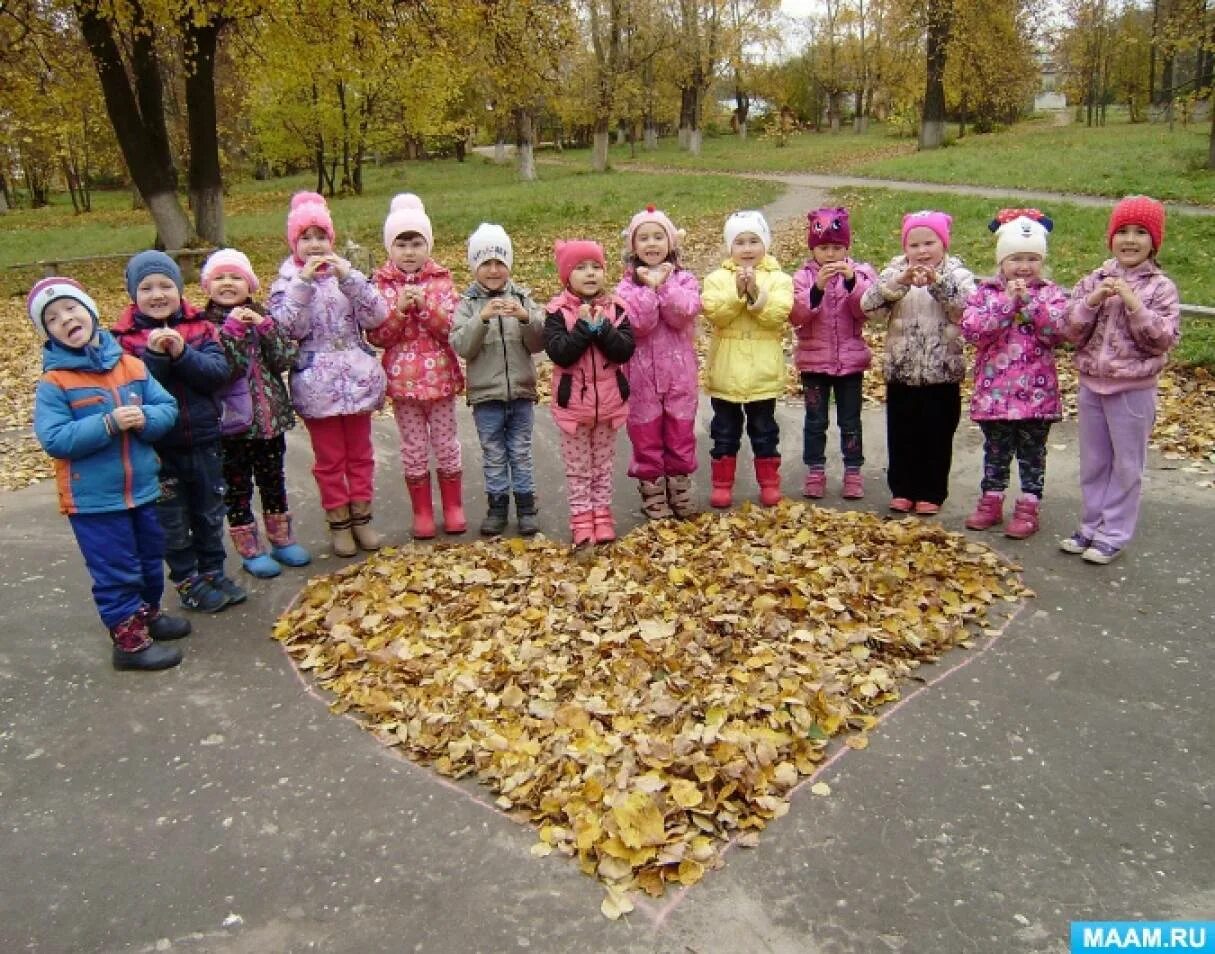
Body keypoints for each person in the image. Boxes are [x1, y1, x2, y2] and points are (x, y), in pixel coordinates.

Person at [31, 277, 190, 670]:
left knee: (151, 555)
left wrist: (144, 419)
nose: (66, 318)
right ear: (48, 332)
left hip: (141, 488)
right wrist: (107, 423)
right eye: (52, 318)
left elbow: (165, 407)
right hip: (94, 500)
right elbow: (54, 438)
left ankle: (148, 616)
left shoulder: (130, 365)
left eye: (71, 308)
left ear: (90, 311)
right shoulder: (55, 383)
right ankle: (129, 643)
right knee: (115, 567)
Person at [114, 250, 245, 612]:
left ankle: (213, 571)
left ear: (179, 289)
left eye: (166, 285)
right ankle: (187, 579)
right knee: (172, 519)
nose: (158, 294)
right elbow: (134, 391)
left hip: (203, 440)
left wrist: (182, 353)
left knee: (209, 509)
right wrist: (156, 359)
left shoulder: (201, 328)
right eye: (147, 287)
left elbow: (217, 375)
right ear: (132, 294)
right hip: (158, 449)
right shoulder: (124, 340)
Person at [1060, 195, 1180, 564]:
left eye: (1140, 233)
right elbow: (1070, 331)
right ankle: (1091, 525)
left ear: (1153, 241)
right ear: (1111, 237)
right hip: (1091, 384)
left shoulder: (1161, 288)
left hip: (1132, 390)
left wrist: (1135, 305)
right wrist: (1092, 300)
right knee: (1095, 461)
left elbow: (1163, 339)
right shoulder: (1093, 279)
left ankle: (1114, 532)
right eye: (1123, 231)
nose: (1130, 240)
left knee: (1127, 464)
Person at [268, 191, 389, 556]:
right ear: (294, 243)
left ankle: (362, 520)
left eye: (321, 236)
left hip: (357, 378)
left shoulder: (346, 275)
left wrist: (350, 279)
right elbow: (287, 328)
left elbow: (377, 316)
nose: (315, 244)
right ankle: (339, 524)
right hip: (315, 381)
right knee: (331, 459)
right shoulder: (286, 283)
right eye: (306, 237)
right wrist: (302, 286)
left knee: (361, 454)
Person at [202, 248, 311, 578]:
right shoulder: (206, 326)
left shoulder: (263, 317)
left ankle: (282, 539)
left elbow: (283, 360)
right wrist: (233, 332)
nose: (228, 283)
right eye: (219, 277)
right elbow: (224, 370)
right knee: (237, 487)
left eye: (236, 277)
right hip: (231, 426)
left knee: (272, 480)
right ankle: (249, 548)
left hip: (268, 422)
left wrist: (265, 328)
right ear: (208, 286)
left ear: (250, 286)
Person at [961, 210, 1068, 539]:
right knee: (996, 451)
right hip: (996, 395)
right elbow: (974, 330)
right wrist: (1008, 304)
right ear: (1001, 262)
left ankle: (1029, 503)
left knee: (1032, 453)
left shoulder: (1050, 294)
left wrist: (1031, 306)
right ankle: (991, 500)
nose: (1024, 267)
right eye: (1016, 258)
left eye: (1032, 259)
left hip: (1037, 396)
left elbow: (1060, 331)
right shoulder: (987, 293)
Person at [860, 210, 975, 515]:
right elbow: (869, 308)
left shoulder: (957, 274)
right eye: (914, 245)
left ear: (943, 243)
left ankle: (931, 491)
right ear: (905, 248)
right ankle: (902, 488)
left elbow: (967, 310)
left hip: (942, 372)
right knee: (902, 432)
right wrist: (899, 283)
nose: (922, 251)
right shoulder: (894, 271)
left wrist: (938, 284)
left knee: (937, 434)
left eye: (929, 243)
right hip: (902, 370)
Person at [368, 193, 465, 539]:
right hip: (403, 384)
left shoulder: (441, 281)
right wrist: (398, 312)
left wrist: (423, 307)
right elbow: (378, 335)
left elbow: (452, 329)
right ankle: (422, 510)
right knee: (412, 447)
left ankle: (453, 506)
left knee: (446, 442)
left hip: (440, 378)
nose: (409, 252)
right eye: (401, 244)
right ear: (390, 248)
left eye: (416, 243)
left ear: (428, 244)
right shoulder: (379, 286)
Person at [450, 223, 546, 537]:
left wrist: (525, 317)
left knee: (520, 451)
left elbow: (539, 342)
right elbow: (462, 346)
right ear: (475, 266)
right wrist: (482, 318)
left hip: (520, 391)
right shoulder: (466, 305)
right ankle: (497, 507)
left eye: (500, 263)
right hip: (485, 396)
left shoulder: (523, 298)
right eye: (486, 263)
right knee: (493, 453)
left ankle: (527, 507)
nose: (493, 270)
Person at [544, 240, 636, 546]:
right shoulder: (557, 312)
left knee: (604, 465)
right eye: (581, 268)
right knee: (579, 468)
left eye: (596, 267)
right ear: (567, 275)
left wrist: (604, 328)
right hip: (574, 407)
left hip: (609, 405)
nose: (590, 273)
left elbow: (625, 350)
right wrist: (584, 327)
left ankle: (602, 515)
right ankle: (582, 518)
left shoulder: (618, 308)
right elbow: (560, 354)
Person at [614, 205, 702, 520]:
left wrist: (664, 285)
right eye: (644, 238)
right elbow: (639, 324)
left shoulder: (685, 280)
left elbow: (683, 314)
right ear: (633, 247)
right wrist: (649, 289)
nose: (651, 244)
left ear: (670, 242)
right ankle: (652, 491)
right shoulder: (625, 287)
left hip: (679, 375)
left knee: (680, 432)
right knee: (647, 435)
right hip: (641, 378)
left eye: (658, 236)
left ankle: (679, 487)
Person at [702, 210, 794, 508]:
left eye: (754, 240)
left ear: (765, 243)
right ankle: (721, 483)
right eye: (739, 242)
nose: (747, 248)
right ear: (730, 247)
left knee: (764, 430)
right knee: (724, 431)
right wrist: (737, 294)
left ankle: (769, 482)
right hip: (727, 368)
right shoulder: (716, 278)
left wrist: (756, 293)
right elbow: (715, 313)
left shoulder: (779, 278)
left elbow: (777, 316)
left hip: (762, 370)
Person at [789, 207, 877, 500]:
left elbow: (864, 310)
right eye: (823, 248)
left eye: (836, 248)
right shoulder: (802, 277)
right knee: (816, 421)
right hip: (814, 363)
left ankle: (853, 471)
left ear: (846, 248)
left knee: (850, 420)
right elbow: (797, 315)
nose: (830, 255)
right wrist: (818, 287)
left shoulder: (862, 273)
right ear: (813, 249)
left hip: (850, 362)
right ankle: (815, 470)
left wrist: (852, 282)